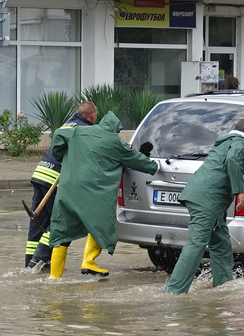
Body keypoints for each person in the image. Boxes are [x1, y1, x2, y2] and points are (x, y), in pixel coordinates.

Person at [46, 110, 159, 279]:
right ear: (115, 128)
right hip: (94, 194)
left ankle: (54, 278)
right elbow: (137, 160)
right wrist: (155, 167)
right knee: (99, 224)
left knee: (61, 231)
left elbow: (59, 135)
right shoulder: (115, 142)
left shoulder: (78, 131)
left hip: (67, 191)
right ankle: (88, 261)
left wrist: (60, 155)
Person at [164, 119, 244, 294]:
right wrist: (241, 192)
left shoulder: (225, 142)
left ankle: (223, 287)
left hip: (203, 196)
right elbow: (232, 160)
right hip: (209, 200)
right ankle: (173, 292)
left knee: (220, 242)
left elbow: (228, 161)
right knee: (197, 243)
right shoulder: (242, 143)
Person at [25, 101, 97, 269]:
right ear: (92, 116)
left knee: (38, 222)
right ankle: (38, 261)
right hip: (57, 178)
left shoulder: (67, 125)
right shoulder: (85, 130)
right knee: (61, 220)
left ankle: (28, 263)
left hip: (41, 173)